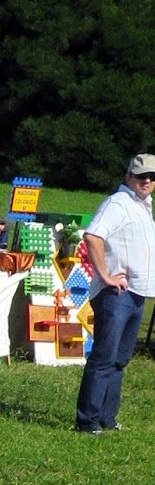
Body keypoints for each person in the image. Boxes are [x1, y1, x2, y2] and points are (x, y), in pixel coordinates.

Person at [74, 153, 155, 435]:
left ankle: (107, 416)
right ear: (128, 176)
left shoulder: (143, 206)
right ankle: (87, 420)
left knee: (120, 360)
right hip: (116, 294)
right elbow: (92, 236)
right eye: (141, 176)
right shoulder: (118, 203)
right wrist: (106, 275)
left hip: (137, 294)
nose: (147, 181)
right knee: (104, 358)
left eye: (152, 177)